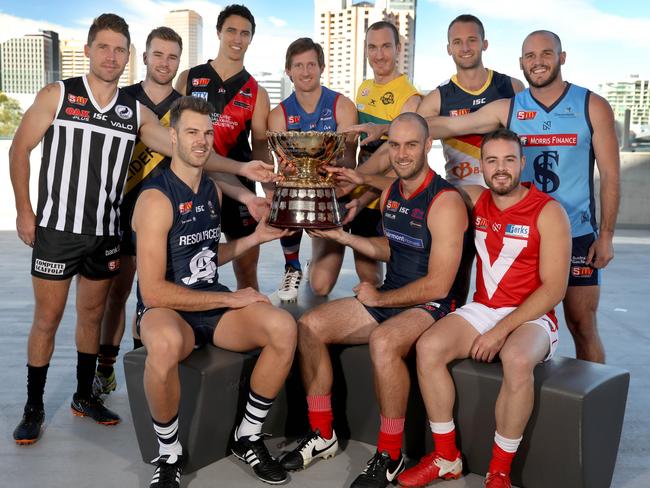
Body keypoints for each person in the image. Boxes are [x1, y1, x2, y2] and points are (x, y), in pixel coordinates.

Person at [9, 13, 274, 446]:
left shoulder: (132, 112)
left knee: (92, 316)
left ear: (128, 55)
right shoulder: (59, 94)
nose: (111, 57)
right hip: (58, 228)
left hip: (108, 230)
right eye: (103, 47)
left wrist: (242, 170)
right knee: (48, 319)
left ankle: (83, 394)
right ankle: (33, 407)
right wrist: (25, 210)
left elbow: (188, 149)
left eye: (119, 50)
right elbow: (19, 148)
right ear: (89, 49)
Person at [280, 113, 471, 488]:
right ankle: (323, 435)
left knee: (384, 342)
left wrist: (380, 295)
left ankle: (390, 454)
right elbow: (393, 247)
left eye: (411, 145)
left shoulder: (446, 201)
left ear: (427, 146)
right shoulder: (391, 193)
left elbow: (438, 284)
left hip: (431, 307)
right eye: (395, 145)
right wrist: (346, 238)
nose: (401, 153)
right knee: (310, 326)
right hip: (393, 297)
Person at [423, 30, 619, 363]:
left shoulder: (592, 105)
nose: (538, 61)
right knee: (517, 319)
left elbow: (611, 177)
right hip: (523, 234)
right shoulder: (509, 107)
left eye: (546, 53)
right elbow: (451, 126)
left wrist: (607, 236)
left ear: (562, 57)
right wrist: (393, 129)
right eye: (530, 56)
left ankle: (596, 412)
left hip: (577, 233)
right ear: (521, 63)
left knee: (583, 324)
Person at [133, 96, 296, 488]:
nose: (201, 140)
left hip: (210, 302)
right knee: (167, 343)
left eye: (207, 133)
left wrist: (255, 237)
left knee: (283, 328)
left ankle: (248, 435)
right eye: (191, 132)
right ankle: (169, 453)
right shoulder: (156, 199)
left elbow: (208, 255)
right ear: (173, 137)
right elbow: (153, 292)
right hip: (167, 310)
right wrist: (230, 298)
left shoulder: (213, 191)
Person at [397, 128, 571, 488]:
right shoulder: (473, 199)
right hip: (483, 308)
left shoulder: (549, 212)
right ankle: (447, 457)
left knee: (517, 359)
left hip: (532, 315)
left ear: (523, 163)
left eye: (509, 160)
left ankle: (499, 472)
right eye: (492, 160)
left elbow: (555, 288)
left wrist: (500, 331)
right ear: (482, 165)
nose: (501, 168)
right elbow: (418, 182)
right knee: (428, 348)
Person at [344, 15, 524, 188]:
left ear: (484, 44)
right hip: (461, 196)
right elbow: (400, 146)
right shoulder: (436, 99)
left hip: (506, 195)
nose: (465, 48)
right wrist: (350, 181)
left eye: (472, 40)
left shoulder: (513, 87)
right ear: (449, 48)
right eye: (457, 42)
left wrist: (384, 129)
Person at [176, 4, 272, 292]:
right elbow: (173, 136)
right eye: (231, 30)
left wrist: (271, 194)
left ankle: (250, 331)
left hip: (238, 187)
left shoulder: (257, 91)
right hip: (192, 184)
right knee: (187, 266)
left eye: (245, 33)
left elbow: (260, 149)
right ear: (218, 32)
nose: (237, 38)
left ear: (251, 39)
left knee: (247, 272)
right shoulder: (190, 78)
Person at [267, 37, 358, 301]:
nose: (305, 71)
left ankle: (313, 263)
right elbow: (283, 170)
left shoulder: (343, 106)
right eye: (298, 66)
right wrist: (294, 174)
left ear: (322, 67)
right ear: (288, 71)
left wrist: (319, 172)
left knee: (320, 286)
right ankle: (292, 265)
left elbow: (349, 161)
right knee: (285, 189)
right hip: (297, 192)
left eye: (311, 65)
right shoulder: (278, 115)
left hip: (332, 191)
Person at [349, 21, 421, 288]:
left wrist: (366, 192)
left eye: (386, 46)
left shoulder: (411, 98)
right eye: (372, 47)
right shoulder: (364, 89)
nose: (379, 55)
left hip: (390, 197)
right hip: (362, 193)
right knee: (368, 280)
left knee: (399, 278)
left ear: (398, 48)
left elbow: (401, 165)